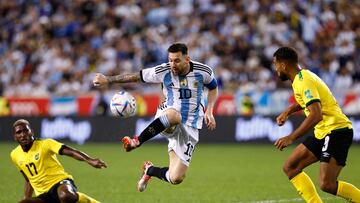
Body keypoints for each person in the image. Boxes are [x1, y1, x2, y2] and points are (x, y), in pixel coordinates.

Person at [93, 43, 218, 192]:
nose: (172, 64)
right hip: (167, 115)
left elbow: (213, 88)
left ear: (187, 59)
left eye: (177, 60)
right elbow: (135, 76)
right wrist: (108, 79)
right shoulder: (163, 71)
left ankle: (149, 170)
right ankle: (136, 141)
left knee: (176, 178)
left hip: (191, 125)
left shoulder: (203, 71)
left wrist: (209, 111)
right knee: (174, 115)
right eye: (170, 60)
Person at [273, 47, 360, 203]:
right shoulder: (301, 78)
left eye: (276, 64)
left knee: (327, 184)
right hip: (324, 131)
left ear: (284, 65)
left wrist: (291, 137)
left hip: (337, 130)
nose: (276, 69)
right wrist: (288, 111)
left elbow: (316, 114)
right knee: (290, 167)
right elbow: (305, 102)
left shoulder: (304, 80)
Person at [10, 119, 107, 203]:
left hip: (60, 183)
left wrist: (89, 160)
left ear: (31, 132)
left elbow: (71, 152)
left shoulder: (46, 144)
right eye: (19, 132)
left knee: (65, 195)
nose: (23, 135)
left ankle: (88, 201)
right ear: (15, 137)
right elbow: (28, 179)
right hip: (43, 194)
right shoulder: (15, 155)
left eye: (26, 131)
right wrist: (26, 198)